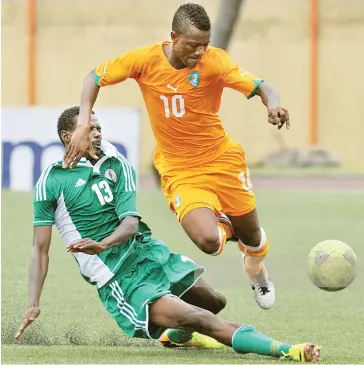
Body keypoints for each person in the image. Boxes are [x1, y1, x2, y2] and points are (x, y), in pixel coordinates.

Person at [16, 107, 320, 362]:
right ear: (68, 137)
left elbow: (130, 224)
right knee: (202, 319)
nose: (97, 132)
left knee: (214, 302)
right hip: (120, 278)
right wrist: (33, 303)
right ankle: (287, 350)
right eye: (89, 127)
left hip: (147, 252)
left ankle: (175, 335)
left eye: (98, 126)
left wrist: (104, 242)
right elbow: (39, 249)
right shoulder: (51, 181)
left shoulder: (117, 163)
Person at [64, 3, 290, 313]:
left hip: (223, 161)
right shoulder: (144, 60)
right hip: (180, 170)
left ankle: (256, 271)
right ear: (173, 37)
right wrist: (83, 122)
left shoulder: (215, 62)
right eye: (193, 45)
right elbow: (93, 78)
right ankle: (226, 227)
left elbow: (261, 85)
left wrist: (273, 104)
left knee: (253, 237)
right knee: (210, 242)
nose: (200, 52)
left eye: (205, 45)